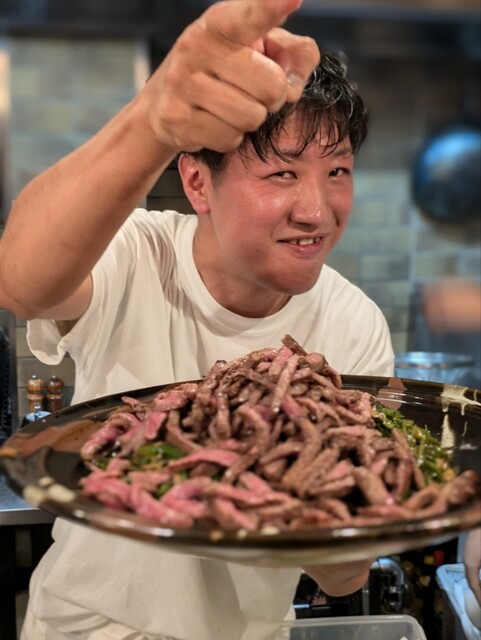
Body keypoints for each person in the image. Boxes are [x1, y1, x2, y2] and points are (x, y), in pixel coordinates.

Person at [0, 1, 395, 638]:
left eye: (338, 171)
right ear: (197, 182)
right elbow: (20, 283)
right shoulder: (136, 253)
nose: (317, 211)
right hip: (91, 627)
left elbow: (342, 577)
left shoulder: (355, 324)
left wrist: (355, 514)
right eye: (282, 172)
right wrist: (154, 119)